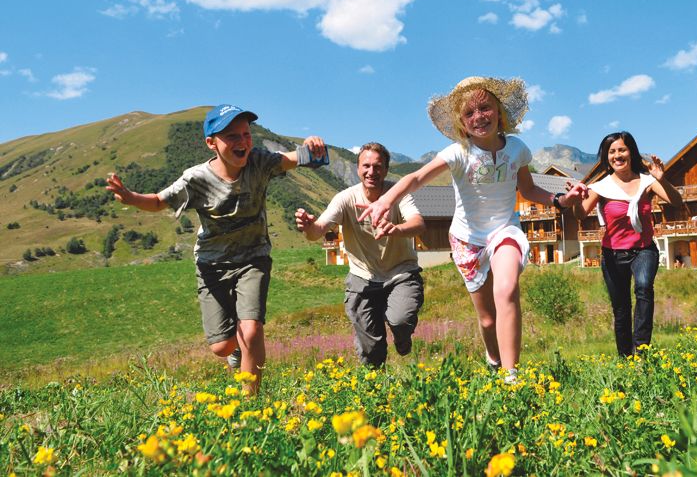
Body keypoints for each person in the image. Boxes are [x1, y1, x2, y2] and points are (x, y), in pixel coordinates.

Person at [358, 76, 585, 382]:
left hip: (505, 230)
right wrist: (385, 199)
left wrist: (561, 199)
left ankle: (511, 376)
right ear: (461, 123)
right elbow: (416, 178)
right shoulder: (458, 152)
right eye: (469, 113)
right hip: (467, 240)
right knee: (488, 319)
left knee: (506, 290)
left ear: (499, 111)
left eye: (485, 107)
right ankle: (493, 358)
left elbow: (529, 190)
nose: (479, 116)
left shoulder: (517, 149)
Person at [106, 104, 326, 395]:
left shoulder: (260, 162)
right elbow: (160, 201)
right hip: (212, 264)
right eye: (232, 136)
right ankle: (235, 354)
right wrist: (131, 197)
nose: (242, 142)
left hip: (253, 258)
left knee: (252, 330)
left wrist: (311, 146)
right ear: (212, 143)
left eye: (246, 134)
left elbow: (293, 158)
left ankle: (251, 404)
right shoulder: (196, 179)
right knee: (222, 346)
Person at [294, 142, 426, 367]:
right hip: (362, 277)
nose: (371, 172)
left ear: (385, 169)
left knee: (400, 320)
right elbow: (318, 231)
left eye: (377, 166)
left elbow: (418, 223)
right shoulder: (345, 198)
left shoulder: (397, 193)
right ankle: (375, 391)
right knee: (371, 350)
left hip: (401, 273)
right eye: (366, 166)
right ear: (357, 169)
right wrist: (308, 226)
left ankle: (403, 339)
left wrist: (397, 229)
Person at [571, 131, 682, 357]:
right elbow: (581, 214)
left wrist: (662, 178)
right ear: (606, 157)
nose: (617, 155)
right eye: (612, 152)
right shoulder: (601, 187)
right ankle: (625, 358)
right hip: (613, 255)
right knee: (621, 309)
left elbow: (676, 201)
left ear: (631, 152)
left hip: (643, 250)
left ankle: (641, 353)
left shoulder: (647, 182)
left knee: (643, 288)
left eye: (622, 149)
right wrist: (574, 199)